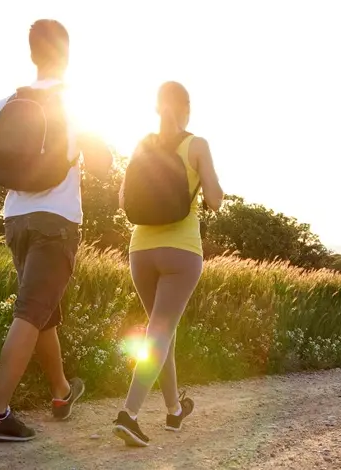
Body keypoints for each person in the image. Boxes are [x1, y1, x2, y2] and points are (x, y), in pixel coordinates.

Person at [0, 19, 113, 442]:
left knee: (42, 315)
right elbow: (104, 166)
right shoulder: (75, 105)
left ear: (33, 55)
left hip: (15, 218)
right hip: (57, 222)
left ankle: (61, 393)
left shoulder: (5, 103)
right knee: (31, 312)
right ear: (67, 56)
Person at [114, 81, 224, 446]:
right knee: (159, 333)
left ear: (157, 108)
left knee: (163, 332)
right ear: (187, 109)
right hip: (181, 252)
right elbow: (215, 200)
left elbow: (123, 196)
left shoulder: (142, 144)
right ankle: (128, 414)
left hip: (140, 250)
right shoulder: (198, 145)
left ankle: (175, 410)